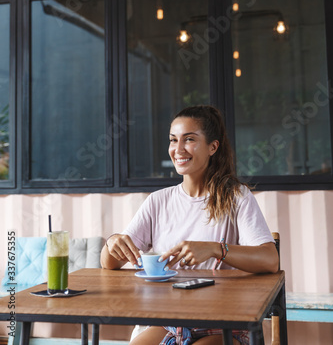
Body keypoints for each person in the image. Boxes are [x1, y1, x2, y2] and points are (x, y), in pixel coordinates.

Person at [101, 105, 279, 345]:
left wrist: (217, 248)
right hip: (167, 319)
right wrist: (113, 241)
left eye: (190, 139)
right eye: (173, 140)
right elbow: (109, 263)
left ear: (212, 147)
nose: (178, 149)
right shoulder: (158, 201)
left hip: (222, 321)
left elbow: (270, 260)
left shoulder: (237, 197)